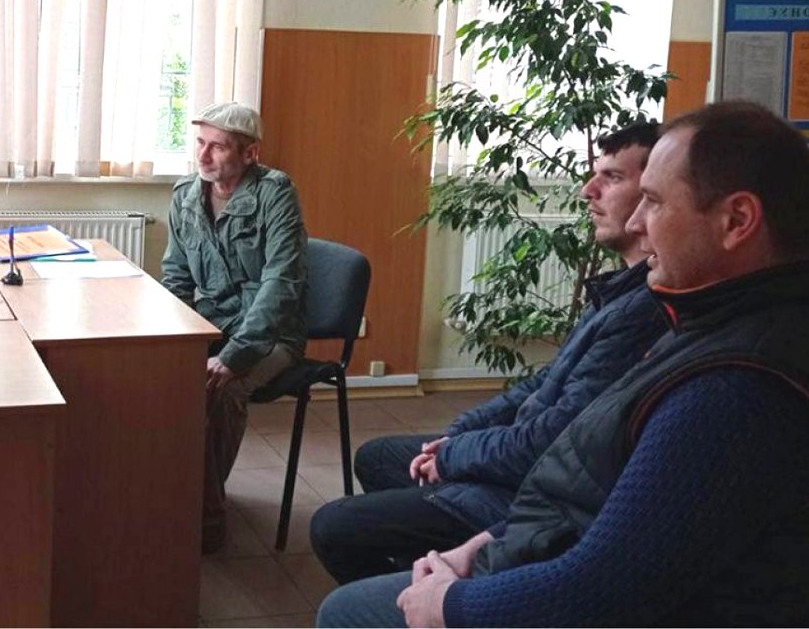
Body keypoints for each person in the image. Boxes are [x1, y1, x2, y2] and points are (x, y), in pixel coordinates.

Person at [317, 101, 809, 627]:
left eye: (653, 201)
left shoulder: (734, 389)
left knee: (346, 611)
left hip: (565, 579)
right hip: (537, 535)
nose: (638, 223)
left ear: (736, 221)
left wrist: (447, 604)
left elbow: (604, 589)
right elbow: (591, 477)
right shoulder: (707, 325)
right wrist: (483, 542)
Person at [309, 122, 666, 585]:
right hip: (520, 464)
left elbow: (553, 442)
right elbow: (543, 383)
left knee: (334, 528)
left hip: (530, 493)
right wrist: (459, 435)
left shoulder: (642, 312)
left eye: (612, 177)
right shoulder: (618, 291)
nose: (587, 190)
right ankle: (431, 571)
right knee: (378, 456)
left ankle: (439, 594)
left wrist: (455, 456)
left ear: (655, 197)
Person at [161, 102, 308, 554]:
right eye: (200, 143)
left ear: (250, 154)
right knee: (158, 375)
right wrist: (171, 343)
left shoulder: (275, 194)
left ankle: (205, 518)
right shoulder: (186, 196)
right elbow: (176, 278)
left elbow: (281, 284)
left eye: (218, 147)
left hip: (272, 335)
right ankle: (169, 496)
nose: (203, 156)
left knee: (222, 389)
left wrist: (235, 355)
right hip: (212, 325)